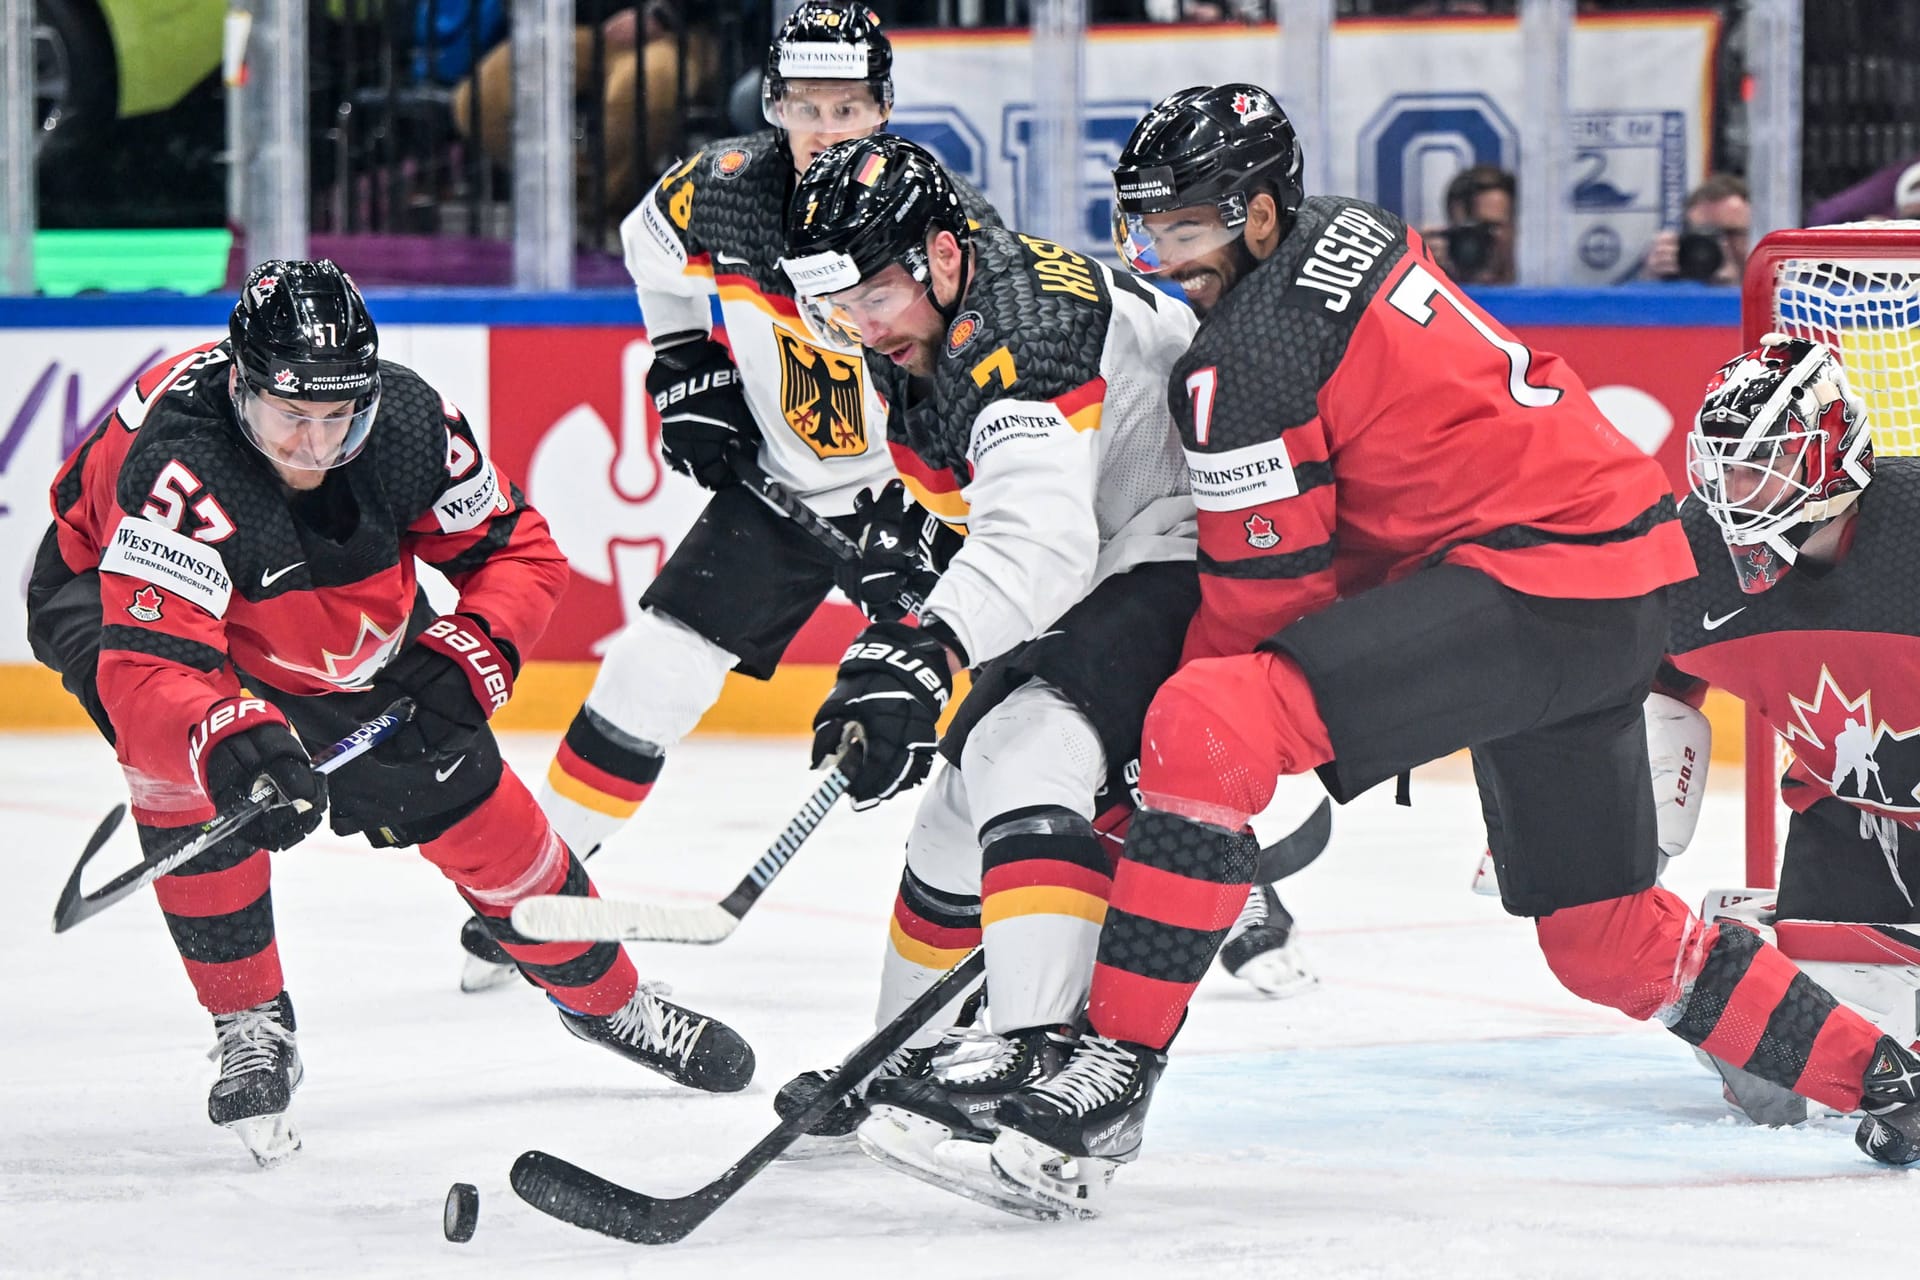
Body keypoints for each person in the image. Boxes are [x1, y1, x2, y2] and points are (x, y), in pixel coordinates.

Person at [978, 83, 1920, 1220]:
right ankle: (1886, 1072)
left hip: (1526, 587)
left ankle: (1113, 1074)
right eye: (1145, 228)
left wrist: (1168, 787)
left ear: (1259, 215)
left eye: (1183, 227)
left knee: (1207, 718)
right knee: (1606, 937)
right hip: (1616, 589)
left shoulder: (1244, 365)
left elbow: (1259, 614)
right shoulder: (1353, 231)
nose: (1159, 255)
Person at [24, 260, 754, 1166]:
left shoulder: (409, 424)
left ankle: (613, 1004)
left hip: (308, 613)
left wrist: (474, 651)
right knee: (190, 771)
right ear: (240, 386)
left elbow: (517, 552)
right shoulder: (184, 462)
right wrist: (227, 736)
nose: (314, 444)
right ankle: (249, 1020)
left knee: (478, 809)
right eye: (291, 415)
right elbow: (152, 668)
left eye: (338, 417)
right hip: (107, 594)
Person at [451, 0, 1002, 992]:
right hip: (783, 491)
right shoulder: (728, 189)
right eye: (805, 107)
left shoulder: (932, 212)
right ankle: (531, 895)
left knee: (1028, 698)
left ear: (883, 106)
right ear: (772, 102)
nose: (825, 129)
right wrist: (683, 359)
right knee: (648, 674)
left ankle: (1215, 880)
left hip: (915, 498)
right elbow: (643, 243)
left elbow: (986, 376)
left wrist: (938, 508)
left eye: (848, 107)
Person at [768, 129, 1234, 1213]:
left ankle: (1043, 1055)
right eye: (832, 305)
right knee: (959, 804)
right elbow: (1006, 505)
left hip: (1194, 545)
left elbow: (1042, 544)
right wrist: (919, 575)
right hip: (1127, 544)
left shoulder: (1020, 330)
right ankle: (902, 1056)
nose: (856, 326)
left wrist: (925, 648)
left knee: (1029, 742)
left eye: (871, 296)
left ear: (938, 254)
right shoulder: (936, 313)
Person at [1648, 336, 1920, 1136]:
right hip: (1848, 824)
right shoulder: (1696, 551)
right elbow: (1643, 678)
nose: (1733, 493)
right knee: (1770, 1069)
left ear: (1832, 457)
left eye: (1761, 464)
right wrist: (1608, 817)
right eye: (1722, 466)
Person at [1638, 172, 1751, 284]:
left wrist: (1733, 289)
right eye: (1706, 234)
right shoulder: (1675, 270)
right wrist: (1651, 283)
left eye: (1731, 233)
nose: (1721, 245)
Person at [1424, 163, 1516, 286]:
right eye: (1467, 230)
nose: (1478, 239)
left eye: (1490, 227)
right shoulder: (1429, 285)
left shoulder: (1539, 291)